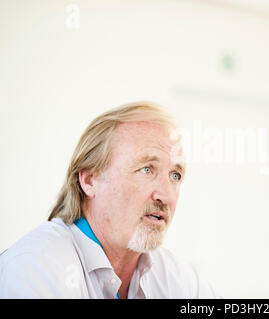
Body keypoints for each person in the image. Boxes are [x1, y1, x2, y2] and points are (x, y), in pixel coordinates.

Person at [0, 101, 220, 298]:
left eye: (175, 175)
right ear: (90, 180)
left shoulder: (179, 279)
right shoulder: (34, 269)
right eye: (146, 169)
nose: (166, 195)